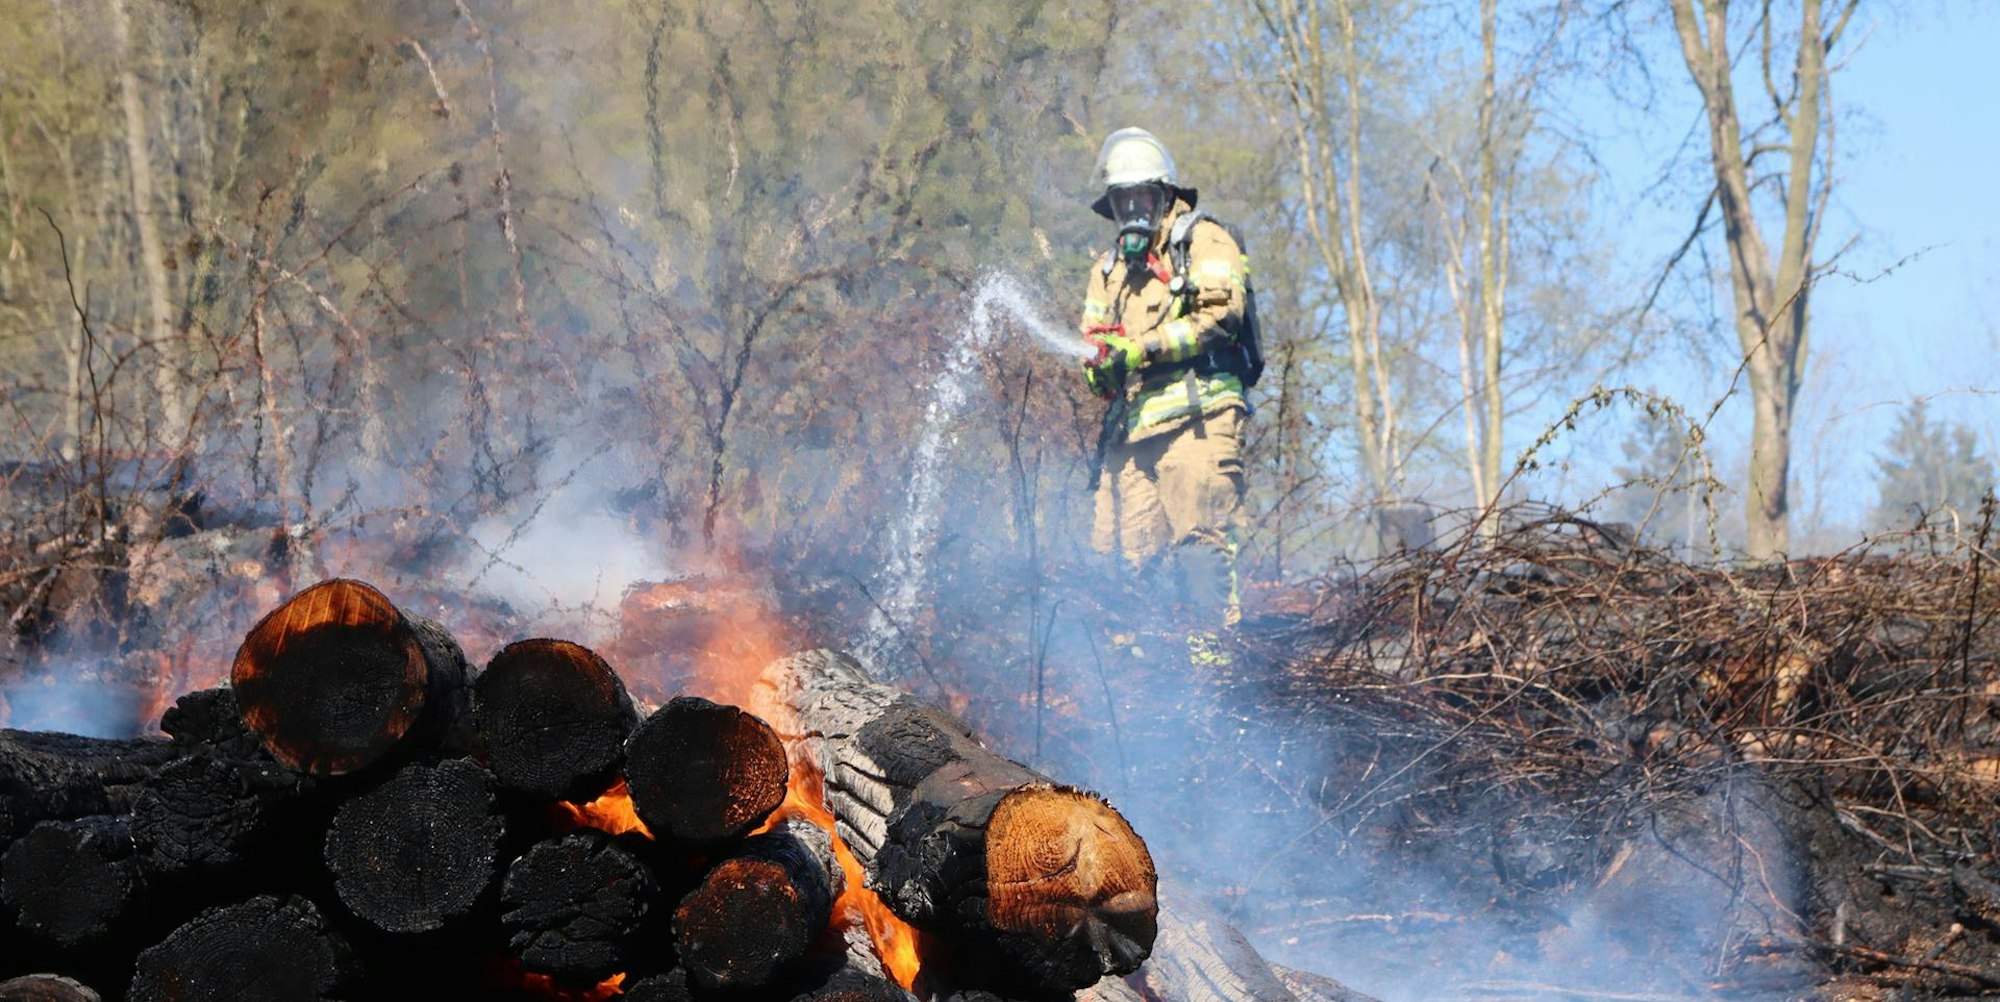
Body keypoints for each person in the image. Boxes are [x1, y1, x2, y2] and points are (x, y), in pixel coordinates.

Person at [1077, 127, 1254, 646]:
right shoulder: (1106, 272)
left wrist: (1144, 347)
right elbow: (1094, 339)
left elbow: (1222, 315)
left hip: (1199, 417)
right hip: (1132, 431)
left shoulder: (1202, 240)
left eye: (1142, 197)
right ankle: (1132, 687)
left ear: (1165, 195)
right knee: (1116, 565)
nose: (1132, 209)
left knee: (1200, 548)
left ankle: (1213, 676)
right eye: (1121, 199)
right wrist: (1100, 363)